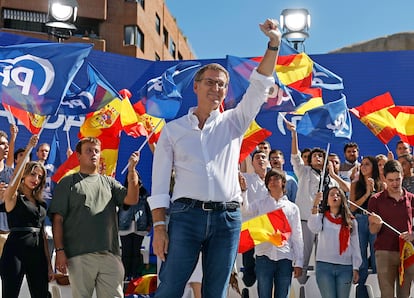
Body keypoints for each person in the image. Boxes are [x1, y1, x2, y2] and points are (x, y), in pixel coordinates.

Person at [148, 18, 282, 298]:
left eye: (222, 85)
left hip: (227, 219)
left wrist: (273, 44)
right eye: (210, 82)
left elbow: (259, 86)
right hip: (186, 217)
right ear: (195, 87)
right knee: (170, 287)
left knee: (215, 292)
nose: (216, 89)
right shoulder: (173, 131)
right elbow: (159, 187)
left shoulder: (235, 122)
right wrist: (159, 227)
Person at [48, 137, 140, 298]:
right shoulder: (68, 182)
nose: (94, 154)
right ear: (78, 156)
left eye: (96, 151)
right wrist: (60, 251)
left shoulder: (110, 183)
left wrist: (132, 170)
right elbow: (58, 220)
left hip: (110, 254)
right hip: (79, 255)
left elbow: (132, 199)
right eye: (89, 150)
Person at [285, 120, 339, 284]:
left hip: (326, 223)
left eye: (321, 156)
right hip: (305, 222)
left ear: (325, 161)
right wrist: (294, 134)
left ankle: (321, 290)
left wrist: (333, 174)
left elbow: (344, 191)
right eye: (315, 155)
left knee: (323, 260)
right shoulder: (303, 171)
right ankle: (300, 289)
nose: (317, 157)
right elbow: (295, 156)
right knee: (302, 260)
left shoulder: (331, 180)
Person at [1, 135, 53, 298]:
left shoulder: (42, 205)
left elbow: (43, 235)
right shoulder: (13, 198)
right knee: (10, 293)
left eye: (39, 177)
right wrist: (29, 148)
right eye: (32, 174)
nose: (35, 179)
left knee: (41, 294)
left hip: (37, 254)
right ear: (23, 175)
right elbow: (13, 182)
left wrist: (49, 266)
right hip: (14, 251)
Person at [241, 169, 303, 298]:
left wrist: (299, 262)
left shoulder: (292, 208)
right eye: (269, 180)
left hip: (285, 257)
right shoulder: (260, 204)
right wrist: (244, 191)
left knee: (283, 294)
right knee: (264, 294)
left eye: (276, 179)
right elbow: (245, 211)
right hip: (264, 256)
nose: (272, 182)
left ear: (283, 183)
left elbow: (297, 236)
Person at [368, 159, 414, 297]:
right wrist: (376, 223)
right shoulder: (375, 200)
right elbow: (372, 230)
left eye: (397, 179)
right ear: (384, 179)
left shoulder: (411, 198)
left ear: (403, 176)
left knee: (404, 294)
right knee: (387, 294)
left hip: (406, 252)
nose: (394, 183)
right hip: (384, 252)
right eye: (391, 180)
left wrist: (413, 234)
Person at [308, 187, 361, 298]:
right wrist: (315, 205)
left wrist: (356, 267)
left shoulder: (350, 221)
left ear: (342, 199)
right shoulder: (322, 217)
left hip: (345, 267)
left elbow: (355, 246)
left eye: (338, 194)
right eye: (331, 194)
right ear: (327, 200)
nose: (335, 197)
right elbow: (314, 228)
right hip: (324, 266)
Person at [349, 156, 382, 298]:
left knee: (376, 258)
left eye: (367, 164)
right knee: (360, 257)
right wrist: (367, 193)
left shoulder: (382, 184)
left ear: (374, 167)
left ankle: (377, 292)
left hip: (375, 221)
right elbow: (352, 207)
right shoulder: (355, 184)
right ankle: (361, 294)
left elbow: (382, 206)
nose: (363, 167)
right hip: (360, 219)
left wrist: (374, 191)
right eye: (362, 164)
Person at [240, 150, 269, 295]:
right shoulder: (246, 178)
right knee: (249, 270)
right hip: (250, 229)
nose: (261, 159)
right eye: (257, 157)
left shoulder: (274, 180)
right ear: (252, 163)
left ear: (268, 161)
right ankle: (248, 293)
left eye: (264, 157)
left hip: (268, 230)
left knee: (265, 267)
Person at [118, 176, 152, 281]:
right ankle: (125, 275)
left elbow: (148, 209)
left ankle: (135, 275)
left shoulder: (144, 193)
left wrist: (149, 223)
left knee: (136, 251)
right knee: (126, 251)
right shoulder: (122, 193)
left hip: (140, 225)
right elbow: (118, 210)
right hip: (124, 226)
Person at [0, 130, 14, 256]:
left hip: (6, 232)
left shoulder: (11, 174)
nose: (6, 147)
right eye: (2, 144)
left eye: (7, 144)